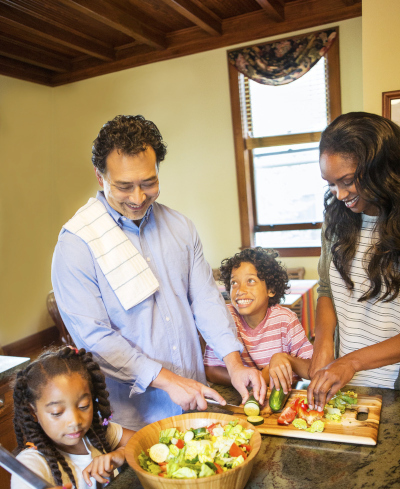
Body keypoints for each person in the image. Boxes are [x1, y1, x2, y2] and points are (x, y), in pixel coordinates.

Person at [52, 115, 266, 431]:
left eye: (149, 183)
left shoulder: (181, 227)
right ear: (100, 177)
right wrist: (166, 381)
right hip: (132, 421)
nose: (138, 198)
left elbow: (205, 300)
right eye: (124, 186)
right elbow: (95, 338)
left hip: (195, 402)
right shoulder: (77, 244)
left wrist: (234, 361)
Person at [307, 112, 400, 411]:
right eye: (331, 183)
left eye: (347, 180)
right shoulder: (335, 221)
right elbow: (327, 291)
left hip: (391, 391)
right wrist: (323, 345)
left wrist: (352, 362)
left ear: (379, 167)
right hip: (347, 387)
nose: (340, 194)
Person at [9, 346, 135, 489]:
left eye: (84, 406)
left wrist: (121, 454)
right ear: (33, 411)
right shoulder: (31, 463)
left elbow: (146, 439)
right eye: (57, 412)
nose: (75, 421)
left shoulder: (98, 433)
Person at [204, 248, 313, 394]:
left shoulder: (286, 320)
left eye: (250, 281)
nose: (240, 290)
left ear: (271, 289)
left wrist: (288, 359)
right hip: (243, 397)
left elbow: (312, 368)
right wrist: (254, 380)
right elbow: (210, 370)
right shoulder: (225, 318)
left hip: (284, 398)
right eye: (234, 283)